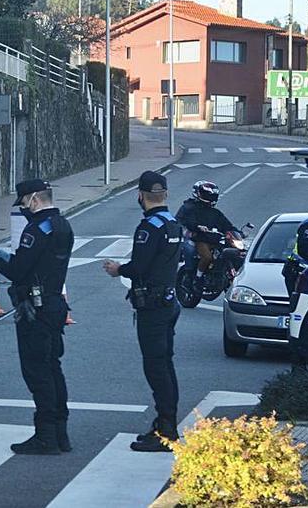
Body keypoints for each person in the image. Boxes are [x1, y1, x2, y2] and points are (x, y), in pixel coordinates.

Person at [0, 179, 74, 455]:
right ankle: (60, 433)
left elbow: (19, 270)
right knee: (53, 369)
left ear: (34, 199)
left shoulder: (35, 230)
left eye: (25, 202)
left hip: (35, 310)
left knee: (38, 373)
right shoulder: (63, 225)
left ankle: (45, 436)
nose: (24, 208)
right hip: (53, 304)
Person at [102, 171, 183, 453]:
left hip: (152, 307)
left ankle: (166, 429)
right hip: (169, 303)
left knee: (156, 367)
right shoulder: (173, 223)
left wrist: (117, 270)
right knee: (165, 364)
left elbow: (139, 268)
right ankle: (167, 423)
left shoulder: (149, 228)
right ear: (166, 195)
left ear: (140, 195)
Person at [176, 180, 238, 278]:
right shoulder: (190, 208)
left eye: (212, 196)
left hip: (214, 239)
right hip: (200, 239)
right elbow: (189, 221)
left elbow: (226, 224)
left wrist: (237, 232)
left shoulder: (215, 212)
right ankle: (198, 277)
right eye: (207, 195)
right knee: (207, 257)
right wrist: (198, 227)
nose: (211, 198)